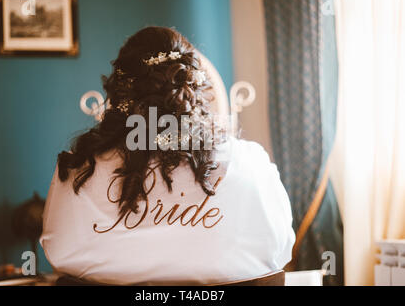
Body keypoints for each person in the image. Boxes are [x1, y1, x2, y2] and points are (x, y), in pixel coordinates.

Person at [40, 26, 295, 285]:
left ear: (118, 95)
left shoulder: (78, 171)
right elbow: (281, 249)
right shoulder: (252, 163)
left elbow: (58, 252)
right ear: (195, 91)